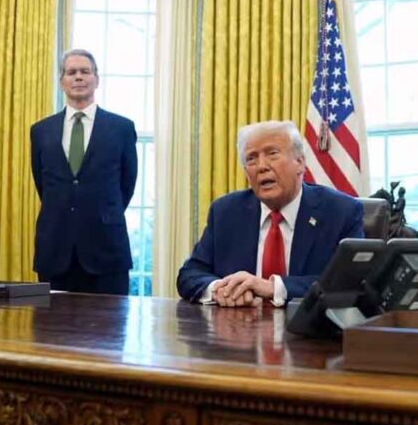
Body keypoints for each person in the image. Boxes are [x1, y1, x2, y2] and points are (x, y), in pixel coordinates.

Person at [177, 120, 364, 307]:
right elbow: (189, 274)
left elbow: (349, 283)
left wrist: (274, 288)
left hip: (307, 324)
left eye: (272, 154)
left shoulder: (340, 211)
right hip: (237, 324)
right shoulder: (225, 212)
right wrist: (220, 289)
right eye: (251, 159)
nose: (261, 166)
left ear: (300, 162)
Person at [30, 49, 138, 295]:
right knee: (52, 321)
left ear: (96, 79)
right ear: (62, 82)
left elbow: (127, 184)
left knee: (109, 320)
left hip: (106, 249)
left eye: (85, 71)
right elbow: (42, 183)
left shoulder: (121, 128)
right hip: (55, 249)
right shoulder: (41, 131)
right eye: (71, 72)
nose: (78, 77)